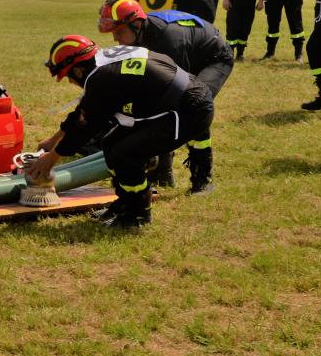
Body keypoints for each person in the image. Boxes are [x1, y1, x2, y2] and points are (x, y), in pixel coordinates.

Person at [29, 35, 214, 227]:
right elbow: (84, 112)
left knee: (125, 153)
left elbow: (86, 128)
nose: (69, 82)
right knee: (110, 142)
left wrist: (52, 158)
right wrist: (54, 140)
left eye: (68, 76)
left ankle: (138, 213)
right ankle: (125, 203)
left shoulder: (101, 78)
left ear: (77, 69)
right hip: (181, 100)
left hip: (189, 110)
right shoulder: (104, 63)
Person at [98, 0, 233, 194]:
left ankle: (203, 178)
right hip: (190, 51)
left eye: (119, 32)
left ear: (136, 24)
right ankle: (162, 172)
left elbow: (180, 90)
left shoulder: (169, 41)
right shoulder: (142, 34)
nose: (115, 39)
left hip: (214, 59)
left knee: (193, 106)